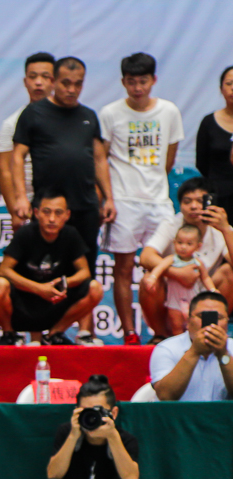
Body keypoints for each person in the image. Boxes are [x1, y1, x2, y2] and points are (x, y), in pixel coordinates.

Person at [12, 56, 114, 345]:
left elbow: (99, 157)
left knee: (86, 273)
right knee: (40, 268)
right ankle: (36, 334)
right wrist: (21, 197)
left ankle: (82, 332)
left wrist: (108, 197)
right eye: (66, 83)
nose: (72, 89)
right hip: (48, 211)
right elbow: (17, 156)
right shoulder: (34, 113)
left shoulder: (89, 116)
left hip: (84, 207)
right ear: (54, 81)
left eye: (78, 84)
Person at [99, 53, 185, 345]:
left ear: (154, 80)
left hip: (158, 201)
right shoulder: (110, 113)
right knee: (122, 269)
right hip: (124, 201)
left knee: (161, 268)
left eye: (143, 81)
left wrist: (153, 181)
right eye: (132, 82)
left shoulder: (169, 111)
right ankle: (129, 334)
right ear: (123, 82)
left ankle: (162, 333)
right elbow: (102, 156)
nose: (138, 88)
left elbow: (169, 158)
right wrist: (108, 197)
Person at [149, 291, 233, 479]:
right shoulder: (167, 349)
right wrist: (194, 351)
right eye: (203, 316)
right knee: (168, 455)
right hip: (179, 437)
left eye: (218, 318)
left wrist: (223, 355)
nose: (211, 323)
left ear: (227, 321)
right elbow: (166, 394)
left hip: (225, 437)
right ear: (188, 319)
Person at [0, 189, 104, 345]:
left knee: (94, 288)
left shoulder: (71, 235)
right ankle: (9, 335)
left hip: (56, 300)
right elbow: (4, 270)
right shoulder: (25, 234)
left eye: (58, 213)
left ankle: (55, 334)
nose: (51, 219)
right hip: (26, 301)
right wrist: (38, 288)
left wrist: (63, 284)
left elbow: (84, 273)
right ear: (36, 213)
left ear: (67, 215)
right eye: (46, 212)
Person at [140, 178, 233, 338]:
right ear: (180, 205)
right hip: (173, 298)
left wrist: (226, 230)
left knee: (229, 273)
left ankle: (209, 334)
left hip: (204, 295)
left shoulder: (220, 228)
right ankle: (161, 336)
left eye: (199, 201)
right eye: (187, 201)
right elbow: (146, 256)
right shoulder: (171, 224)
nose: (194, 206)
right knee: (149, 279)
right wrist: (178, 273)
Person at [0, 52, 54, 229]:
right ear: (25, 82)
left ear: (55, 81)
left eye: (45, 77)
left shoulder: (70, 119)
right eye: (33, 77)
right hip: (27, 204)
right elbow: (5, 170)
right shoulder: (11, 123)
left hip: (61, 204)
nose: (38, 82)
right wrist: (15, 212)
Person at [144, 225, 219, 338]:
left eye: (189, 244)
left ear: (198, 246)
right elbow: (160, 268)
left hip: (193, 300)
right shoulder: (171, 259)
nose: (183, 247)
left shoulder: (198, 263)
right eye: (180, 242)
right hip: (174, 301)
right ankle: (178, 348)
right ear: (174, 243)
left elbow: (205, 278)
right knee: (176, 325)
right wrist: (152, 278)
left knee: (195, 324)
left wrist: (213, 290)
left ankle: (193, 347)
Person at [195, 67, 233, 214]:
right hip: (217, 195)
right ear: (221, 89)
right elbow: (201, 163)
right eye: (229, 83)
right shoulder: (208, 122)